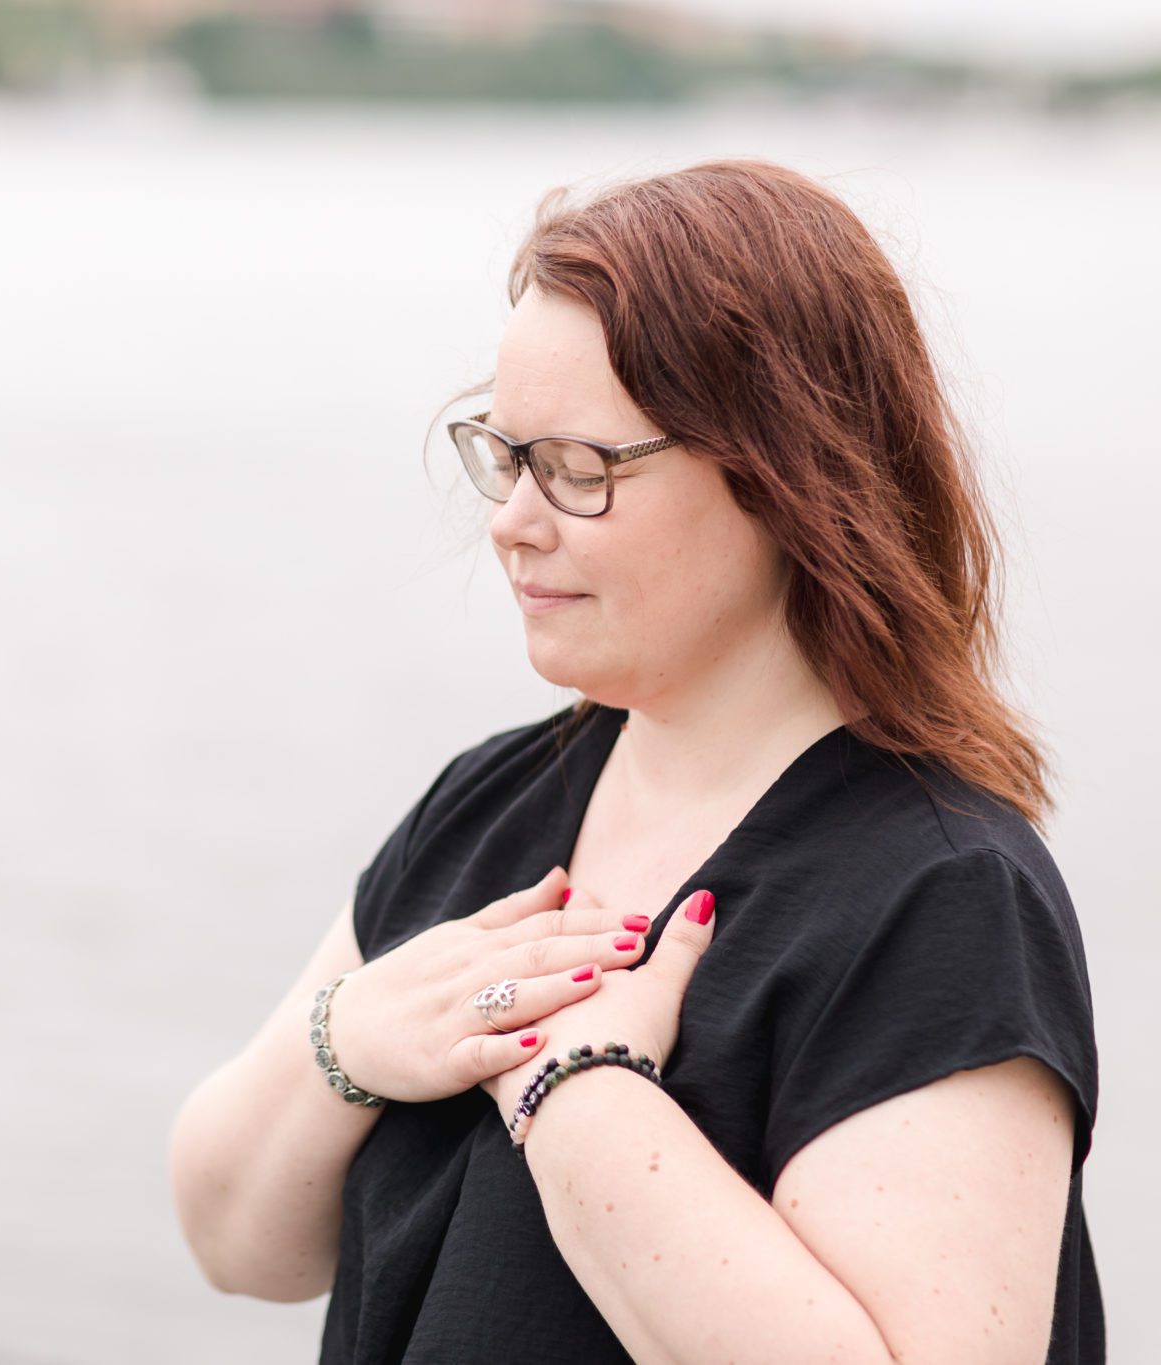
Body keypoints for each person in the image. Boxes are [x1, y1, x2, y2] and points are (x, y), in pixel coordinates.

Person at [167, 157, 1102, 1364]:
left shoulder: (937, 895)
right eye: (506, 457)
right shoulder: (488, 805)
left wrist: (578, 1095)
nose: (510, 519)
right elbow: (235, 1247)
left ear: (784, 479)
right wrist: (348, 1044)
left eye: (579, 469)